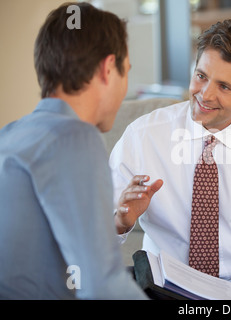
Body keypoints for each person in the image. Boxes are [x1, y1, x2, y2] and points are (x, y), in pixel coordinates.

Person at [111, 18, 231, 282]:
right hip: (164, 285)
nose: (205, 95)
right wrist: (121, 221)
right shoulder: (143, 135)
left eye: (224, 86)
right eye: (201, 76)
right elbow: (93, 237)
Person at [0, 3, 147, 299]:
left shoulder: (11, 134)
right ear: (108, 69)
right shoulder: (74, 137)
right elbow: (101, 285)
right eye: (125, 72)